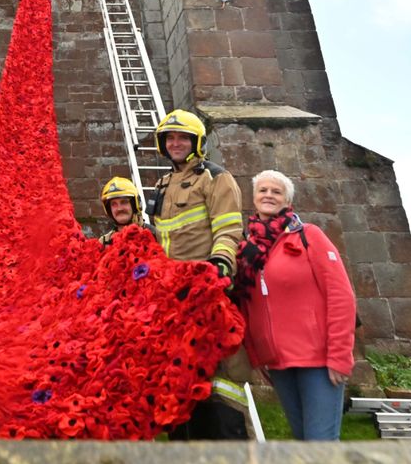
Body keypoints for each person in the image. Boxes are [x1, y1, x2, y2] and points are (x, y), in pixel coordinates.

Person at [234, 170, 357, 441]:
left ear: (287, 200)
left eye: (276, 192)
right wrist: (257, 355)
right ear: (254, 198)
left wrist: (339, 355)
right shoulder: (247, 249)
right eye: (262, 190)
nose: (268, 195)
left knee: (320, 444)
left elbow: (341, 295)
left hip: (318, 360)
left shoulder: (308, 235)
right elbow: (247, 304)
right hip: (278, 363)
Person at [151, 109, 248, 440]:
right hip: (172, 296)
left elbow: (228, 228)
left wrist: (220, 263)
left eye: (183, 138)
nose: (176, 143)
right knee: (177, 373)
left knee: (217, 372)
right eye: (170, 138)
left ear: (196, 143)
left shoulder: (216, 178)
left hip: (206, 291)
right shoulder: (163, 183)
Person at [98, 175, 144, 245]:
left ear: (135, 205)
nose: (119, 208)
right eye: (114, 204)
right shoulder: (103, 243)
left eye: (124, 202)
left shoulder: (154, 236)